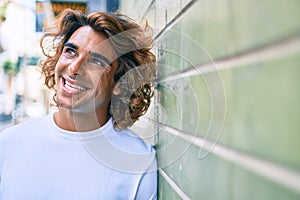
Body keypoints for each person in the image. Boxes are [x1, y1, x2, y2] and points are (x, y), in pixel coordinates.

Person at [0, 9, 157, 199]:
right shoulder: (9, 145)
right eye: (71, 51)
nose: (74, 68)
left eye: (96, 62)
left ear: (120, 83)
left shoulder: (138, 161)